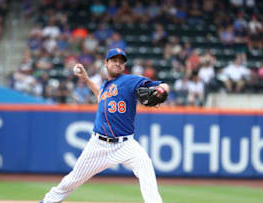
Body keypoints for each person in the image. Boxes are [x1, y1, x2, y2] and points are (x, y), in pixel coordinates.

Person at [40, 48, 169, 203]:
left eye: (121, 61)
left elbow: (164, 85)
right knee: (72, 180)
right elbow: (100, 95)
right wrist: (87, 79)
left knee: (145, 167)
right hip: (98, 144)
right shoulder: (105, 87)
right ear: (106, 63)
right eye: (114, 60)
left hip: (126, 144)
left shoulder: (130, 81)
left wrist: (161, 91)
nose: (118, 63)